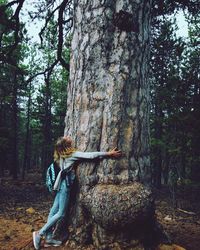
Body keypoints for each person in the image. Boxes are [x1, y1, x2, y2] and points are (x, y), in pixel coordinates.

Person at [33, 136, 122, 249]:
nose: (68, 136)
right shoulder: (72, 155)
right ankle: (40, 233)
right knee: (61, 213)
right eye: (66, 138)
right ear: (66, 145)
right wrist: (108, 154)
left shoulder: (60, 155)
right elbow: (91, 156)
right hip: (64, 186)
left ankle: (49, 238)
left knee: (53, 211)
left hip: (59, 185)